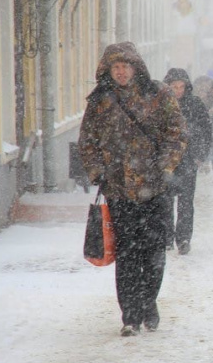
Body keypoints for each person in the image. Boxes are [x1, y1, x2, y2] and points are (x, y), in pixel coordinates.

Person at [78, 42, 187, 336]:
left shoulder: (158, 94)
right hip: (119, 190)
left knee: (153, 252)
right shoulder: (100, 101)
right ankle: (129, 314)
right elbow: (87, 141)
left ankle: (148, 302)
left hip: (154, 189)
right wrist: (96, 169)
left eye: (126, 66)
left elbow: (176, 132)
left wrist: (166, 166)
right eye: (116, 67)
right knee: (126, 254)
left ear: (136, 67)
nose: (122, 72)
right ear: (108, 70)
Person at [163, 68, 212, 255]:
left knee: (186, 201)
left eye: (181, 86)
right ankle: (166, 237)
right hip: (166, 161)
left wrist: (200, 155)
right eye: (174, 86)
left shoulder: (195, 104)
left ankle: (183, 238)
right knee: (165, 200)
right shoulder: (161, 104)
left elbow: (206, 130)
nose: (178, 90)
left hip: (188, 159)